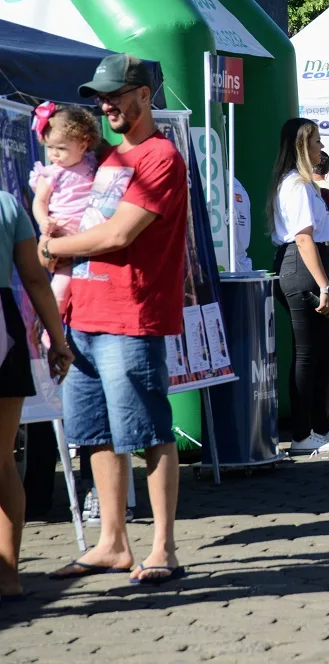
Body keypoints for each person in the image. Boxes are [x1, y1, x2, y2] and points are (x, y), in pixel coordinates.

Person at [45, 54, 188, 584]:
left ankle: (164, 549)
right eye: (100, 98)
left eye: (115, 95)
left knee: (148, 431)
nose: (105, 105)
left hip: (131, 316)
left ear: (145, 95)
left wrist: (50, 251)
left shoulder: (160, 157)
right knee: (97, 435)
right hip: (84, 314)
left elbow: (118, 235)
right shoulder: (105, 159)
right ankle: (112, 544)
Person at [265, 119, 329, 455]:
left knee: (322, 352)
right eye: (317, 141)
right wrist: (323, 286)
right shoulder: (296, 186)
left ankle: (320, 426)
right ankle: (303, 434)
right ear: (303, 147)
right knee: (308, 353)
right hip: (302, 268)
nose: (322, 147)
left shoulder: (303, 185)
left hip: (311, 265)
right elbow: (303, 238)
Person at [0, 189, 73, 597]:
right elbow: (33, 277)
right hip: (3, 328)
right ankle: (8, 576)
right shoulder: (7, 204)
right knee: (4, 462)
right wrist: (58, 339)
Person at [29, 104, 101, 318]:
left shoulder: (92, 163)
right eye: (50, 147)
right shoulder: (50, 173)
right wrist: (44, 221)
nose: (54, 154)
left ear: (83, 144)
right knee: (61, 285)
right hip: (61, 233)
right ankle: (51, 332)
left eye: (61, 148)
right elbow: (39, 202)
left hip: (90, 235)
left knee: (85, 286)